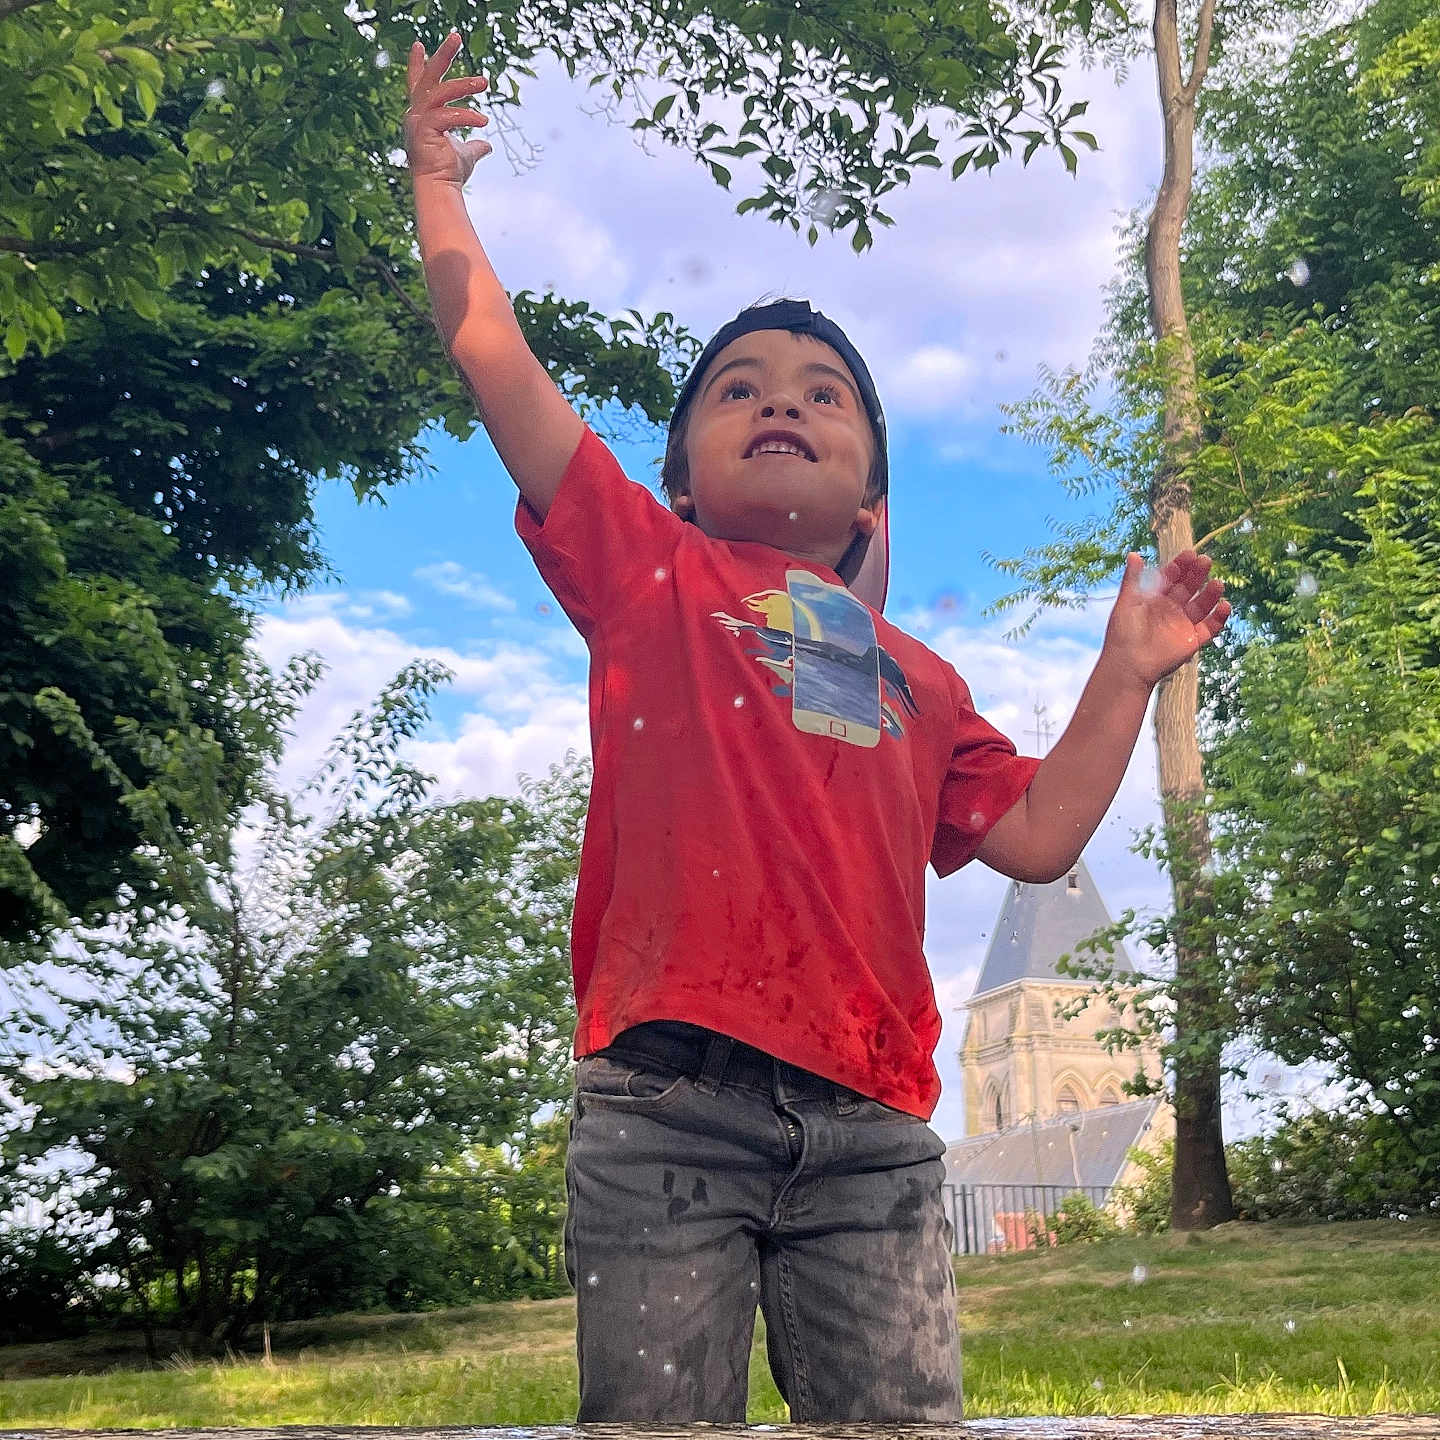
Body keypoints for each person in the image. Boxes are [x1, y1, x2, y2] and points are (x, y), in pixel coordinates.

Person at [403, 31, 1231, 1423]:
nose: (780, 394)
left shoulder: (913, 677)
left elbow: (1035, 835)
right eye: (737, 388)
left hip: (873, 1137)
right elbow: (495, 355)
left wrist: (1129, 673)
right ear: (672, 483)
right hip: (667, 1109)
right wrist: (438, 185)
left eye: (822, 392)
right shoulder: (647, 573)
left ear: (870, 507)